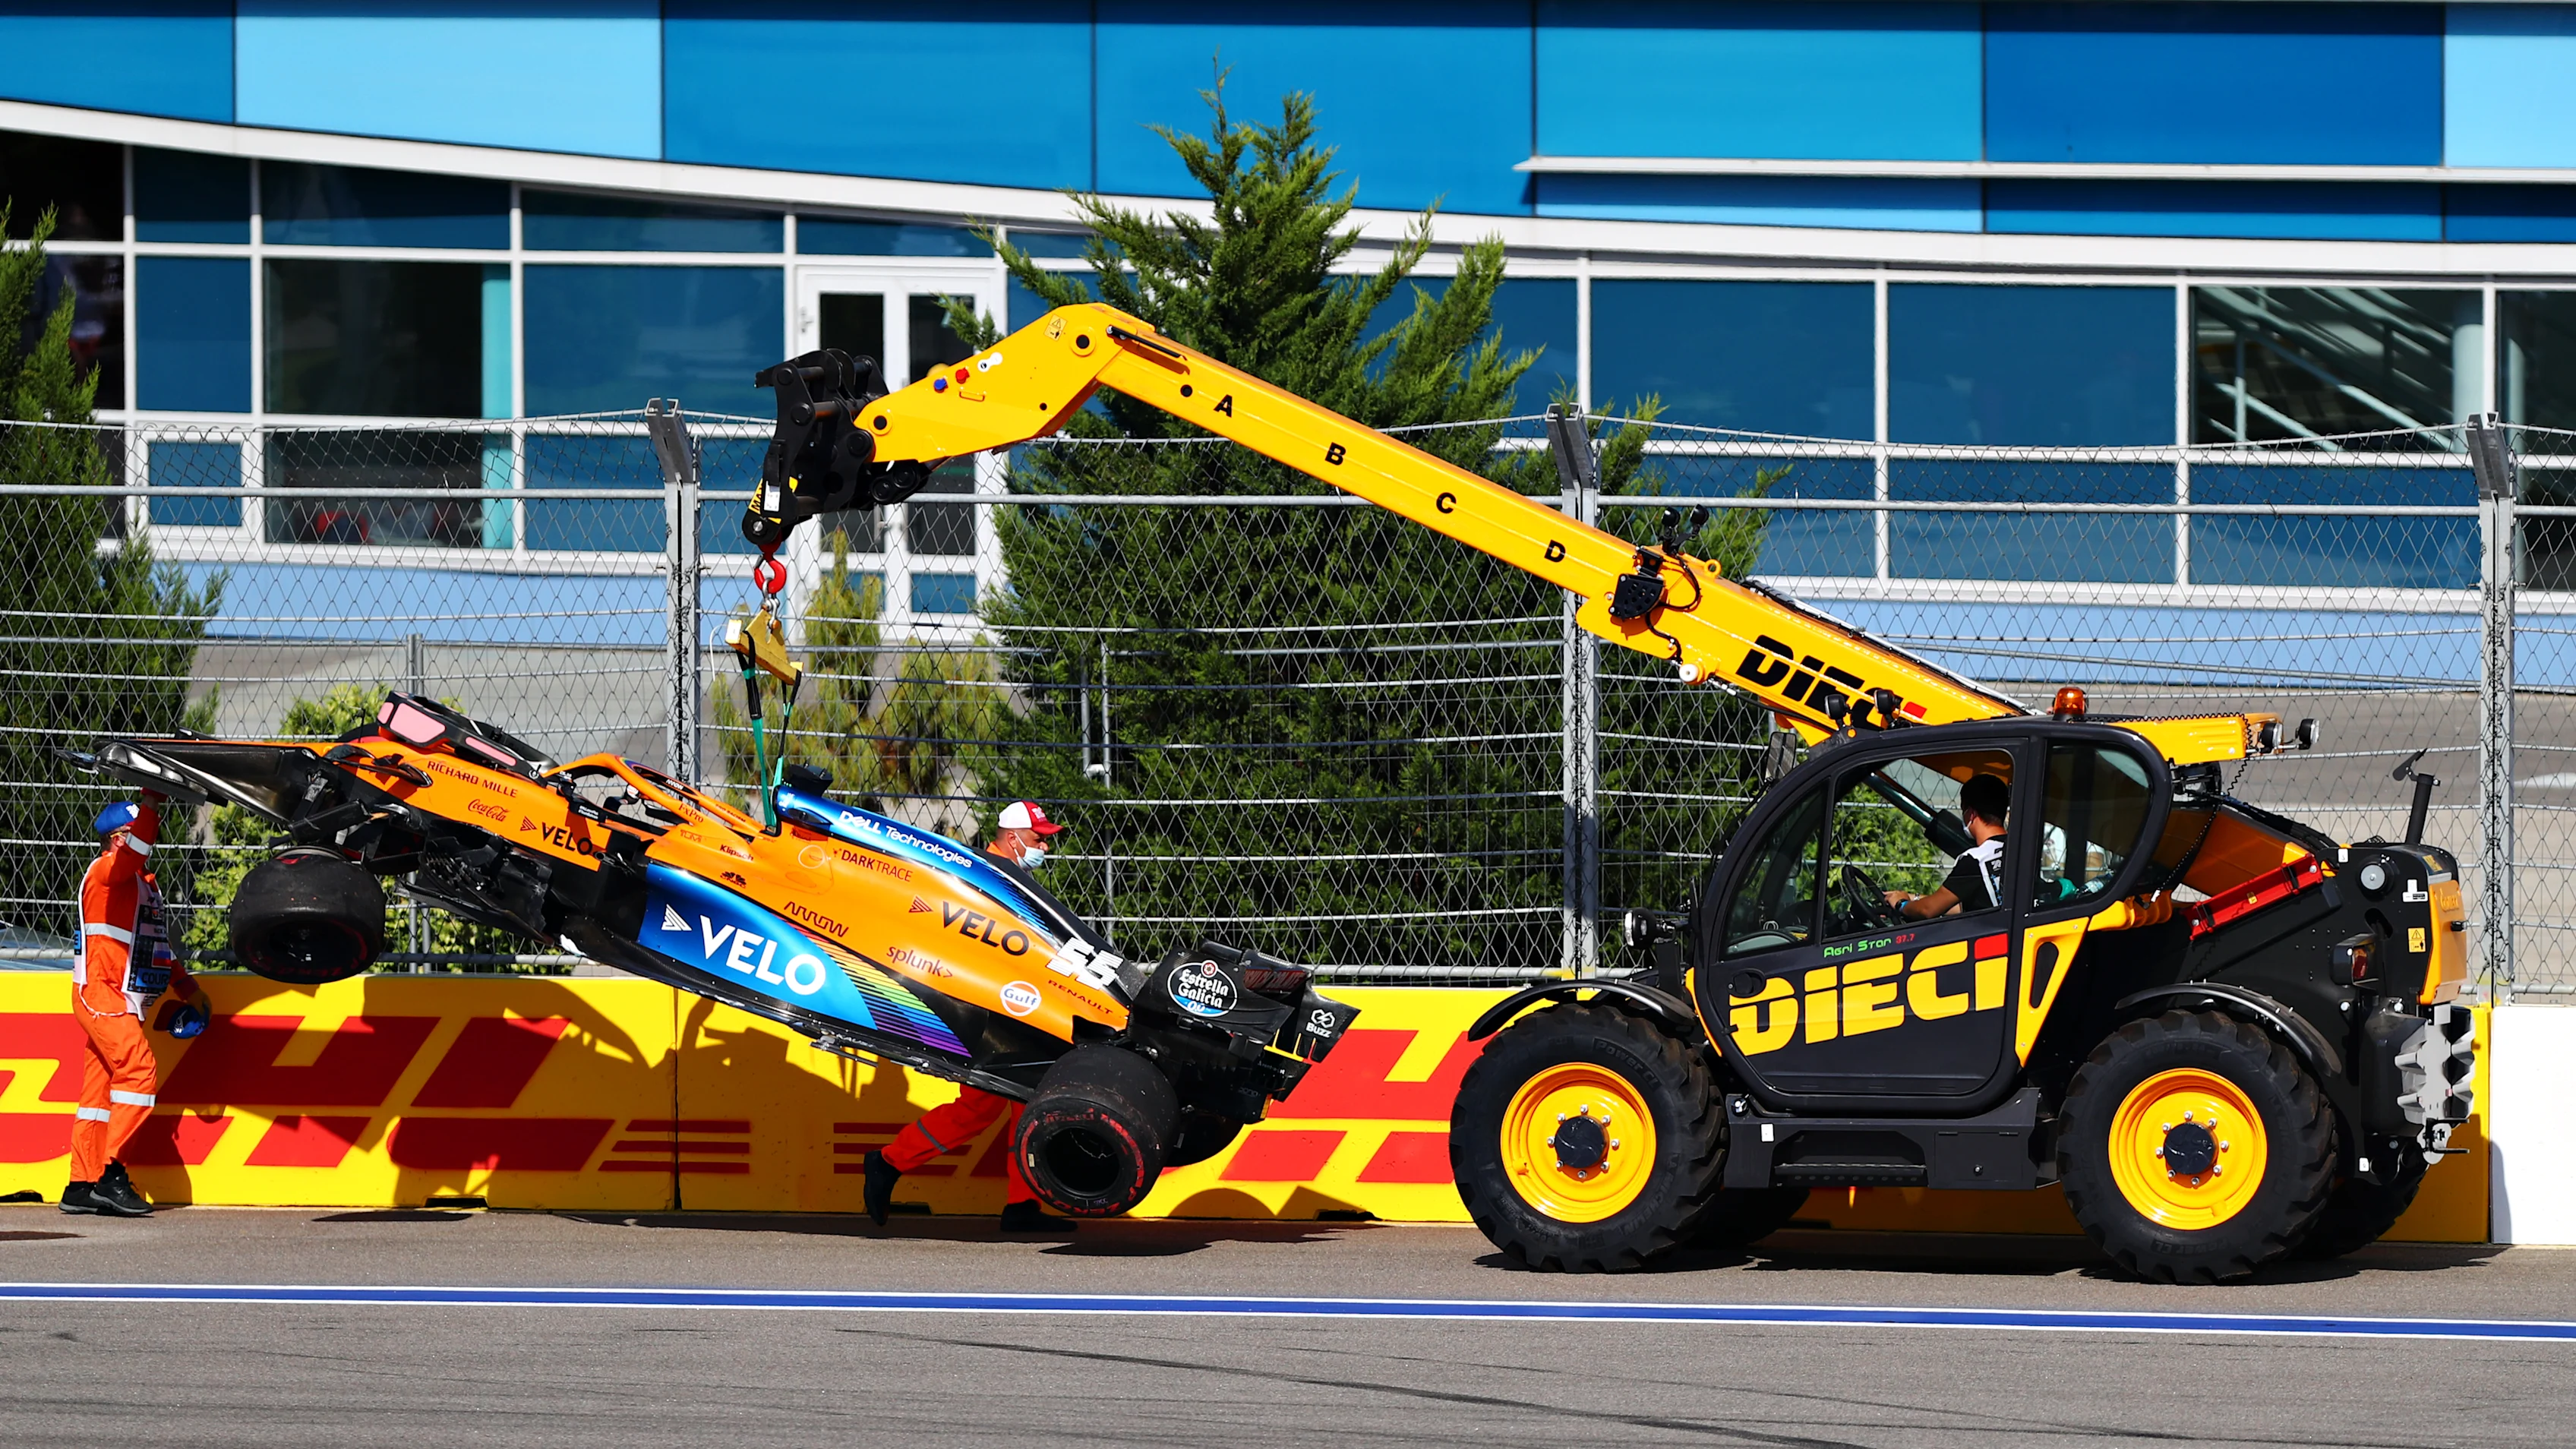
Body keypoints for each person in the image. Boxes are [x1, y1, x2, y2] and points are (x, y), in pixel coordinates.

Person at [862, 800, 1072, 1233]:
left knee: (1021, 1101)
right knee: (982, 1106)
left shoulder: (1010, 880)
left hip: (1013, 1008)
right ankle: (887, 1162)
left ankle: (1022, 1206)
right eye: (1039, 840)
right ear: (1012, 838)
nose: (1045, 849)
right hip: (982, 1011)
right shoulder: (985, 879)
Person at [64, 794, 211, 1217]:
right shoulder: (106, 873)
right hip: (101, 993)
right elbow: (138, 847)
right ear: (115, 840)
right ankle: (112, 1174)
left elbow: (156, 950)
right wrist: (151, 802)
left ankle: (81, 1185)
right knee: (140, 1070)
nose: (146, 841)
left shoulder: (144, 887)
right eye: (131, 836)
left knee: (97, 1094)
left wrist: (189, 990)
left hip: (118, 998)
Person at [1885, 772, 2009, 921]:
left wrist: (1901, 904)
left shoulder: (1976, 860)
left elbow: (1928, 910)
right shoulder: (2017, 849)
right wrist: (1912, 897)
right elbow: (1955, 902)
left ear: (1971, 813)